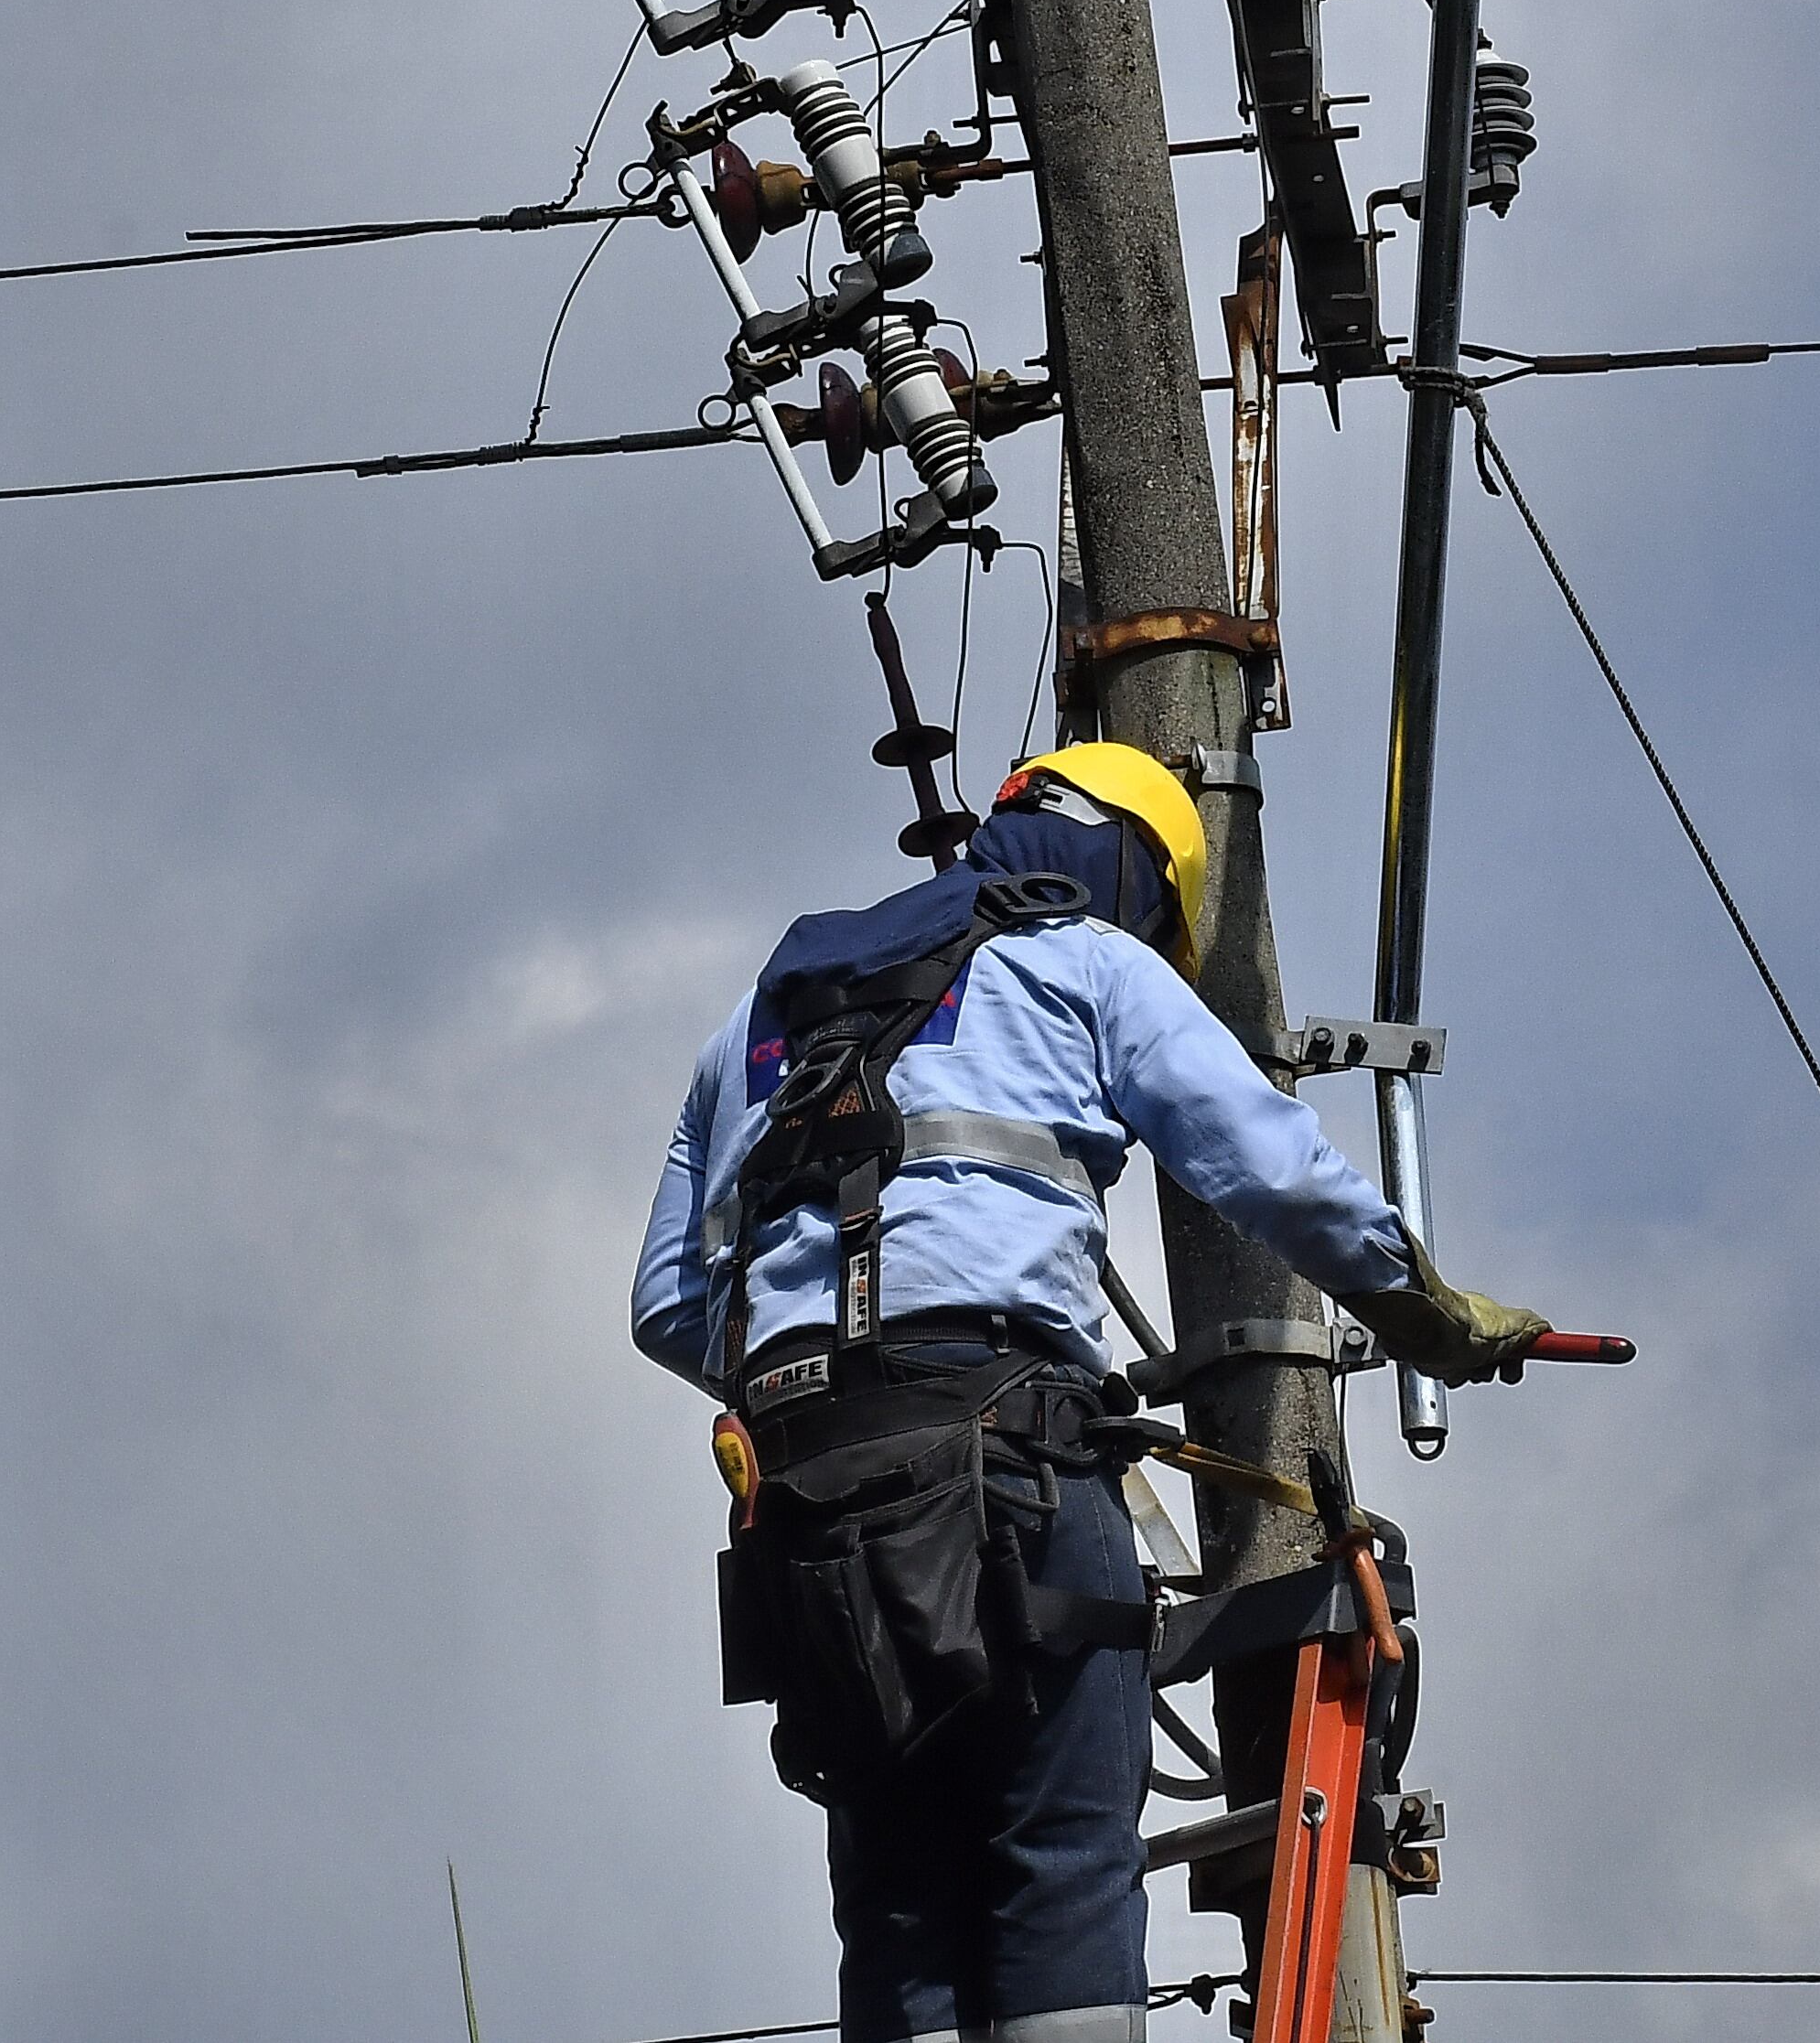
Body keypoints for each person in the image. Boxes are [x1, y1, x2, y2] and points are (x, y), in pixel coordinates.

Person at [633, 743, 1547, 2043]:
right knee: (1058, 1868)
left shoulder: (761, 1016)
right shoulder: (1083, 960)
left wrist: (826, 1384)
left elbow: (669, 1299)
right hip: (1012, 1471)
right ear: (1134, 871)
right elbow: (1269, 1167)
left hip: (816, 1520)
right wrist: (1422, 1307)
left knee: (897, 1913)